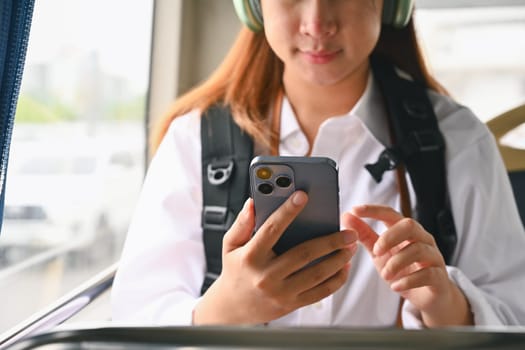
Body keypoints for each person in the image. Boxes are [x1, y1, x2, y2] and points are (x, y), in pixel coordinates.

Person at [111, 0, 525, 328]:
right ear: (253, 6)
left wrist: (447, 303)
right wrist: (225, 309)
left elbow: (515, 317)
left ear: (392, 3)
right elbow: (133, 325)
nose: (317, 22)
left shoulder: (458, 141)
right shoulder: (194, 141)